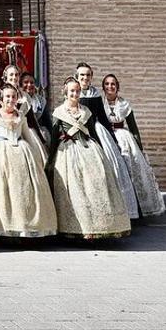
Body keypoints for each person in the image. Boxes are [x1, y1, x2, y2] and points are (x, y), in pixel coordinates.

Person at [47, 77, 131, 239]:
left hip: (89, 149)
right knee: (74, 188)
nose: (75, 93)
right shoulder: (59, 112)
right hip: (68, 151)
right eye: (72, 91)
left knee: (96, 185)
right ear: (65, 92)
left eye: (77, 91)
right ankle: (74, 228)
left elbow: (93, 133)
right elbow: (55, 136)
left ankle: (100, 226)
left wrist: (102, 153)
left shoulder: (86, 111)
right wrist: (50, 160)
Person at [0, 83, 57, 238]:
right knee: (4, 192)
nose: (10, 99)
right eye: (7, 96)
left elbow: (30, 140)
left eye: (13, 97)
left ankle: (24, 228)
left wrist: (37, 159)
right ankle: (5, 228)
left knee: (23, 191)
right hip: (0, 155)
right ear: (1, 98)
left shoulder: (21, 117)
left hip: (22, 155)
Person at [76, 63, 140, 219]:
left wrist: (111, 137)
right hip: (78, 132)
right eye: (82, 75)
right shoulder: (73, 91)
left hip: (98, 131)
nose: (85, 78)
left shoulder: (95, 93)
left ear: (91, 77)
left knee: (112, 168)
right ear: (77, 76)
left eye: (88, 75)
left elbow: (103, 117)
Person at [103, 74, 165, 216]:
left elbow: (133, 127)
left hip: (124, 139)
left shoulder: (124, 104)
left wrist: (140, 149)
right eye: (107, 84)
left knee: (132, 171)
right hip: (107, 137)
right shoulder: (99, 103)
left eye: (113, 84)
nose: (110, 87)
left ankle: (134, 208)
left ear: (117, 86)